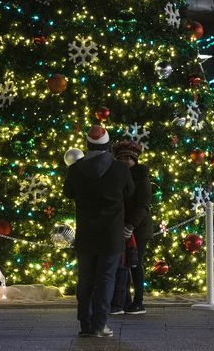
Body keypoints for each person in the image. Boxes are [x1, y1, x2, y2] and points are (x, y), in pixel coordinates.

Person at [63, 124, 133, 338]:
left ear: (87, 144)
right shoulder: (120, 169)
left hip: (86, 233)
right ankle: (100, 324)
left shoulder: (75, 169)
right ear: (108, 145)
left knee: (85, 278)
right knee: (106, 278)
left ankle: (85, 324)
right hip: (111, 234)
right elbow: (129, 192)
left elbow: (68, 192)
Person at [110, 140, 152, 314]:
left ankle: (138, 301)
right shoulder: (117, 176)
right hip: (122, 227)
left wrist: (131, 225)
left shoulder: (141, 177)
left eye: (128, 158)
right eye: (122, 158)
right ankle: (124, 300)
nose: (125, 161)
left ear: (135, 160)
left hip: (138, 229)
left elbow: (143, 204)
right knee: (123, 265)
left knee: (135, 264)